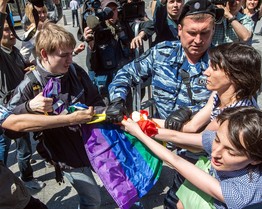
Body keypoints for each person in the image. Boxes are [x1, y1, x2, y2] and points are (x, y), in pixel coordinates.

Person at [106, 1, 223, 208]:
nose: (198, 40)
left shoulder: (222, 64)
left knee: (178, 201)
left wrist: (192, 115)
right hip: (158, 140)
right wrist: (117, 99)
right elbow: (126, 74)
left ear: (213, 31)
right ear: (179, 29)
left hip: (196, 149)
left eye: (205, 33)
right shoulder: (162, 53)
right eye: (191, 32)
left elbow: (230, 111)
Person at [7, 22, 106, 209]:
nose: (70, 59)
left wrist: (104, 115)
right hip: (66, 157)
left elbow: (95, 99)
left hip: (92, 145)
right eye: (64, 55)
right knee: (93, 200)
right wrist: (29, 107)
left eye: (71, 53)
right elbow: (9, 128)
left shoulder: (75, 71)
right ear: (44, 54)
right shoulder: (30, 84)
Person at [122, 106, 262, 209]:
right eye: (216, 139)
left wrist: (139, 134)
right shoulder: (230, 138)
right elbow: (177, 137)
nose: (215, 153)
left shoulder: (245, 192)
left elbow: (175, 161)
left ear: (256, 159)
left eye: (231, 152)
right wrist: (142, 124)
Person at [162, 43, 261, 135]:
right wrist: (148, 121)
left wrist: (151, 129)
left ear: (236, 75)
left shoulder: (235, 115)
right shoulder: (219, 94)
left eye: (214, 68)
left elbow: (199, 142)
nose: (206, 72)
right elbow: (192, 126)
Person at [0, 0, 45, 190]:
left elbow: (23, 68)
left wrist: (28, 69)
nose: (11, 33)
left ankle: (25, 178)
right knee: (5, 148)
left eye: (11, 29)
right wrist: (2, 6)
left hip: (21, 106)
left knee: (23, 147)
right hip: (6, 109)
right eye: (5, 30)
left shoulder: (15, 51)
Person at [83, 0, 154, 104]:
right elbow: (91, 66)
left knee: (127, 115)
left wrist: (140, 35)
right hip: (107, 86)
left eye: (114, 10)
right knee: (109, 116)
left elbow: (150, 24)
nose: (112, 13)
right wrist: (91, 45)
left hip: (124, 83)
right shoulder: (97, 30)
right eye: (108, 10)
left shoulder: (125, 26)